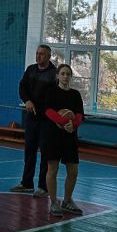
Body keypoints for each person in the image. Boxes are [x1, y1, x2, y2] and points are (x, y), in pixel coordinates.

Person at [11, 44, 57, 197]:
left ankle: (43, 187)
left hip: (47, 120)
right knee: (29, 150)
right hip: (31, 118)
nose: (38, 56)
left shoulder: (54, 74)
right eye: (37, 53)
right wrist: (27, 101)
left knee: (45, 153)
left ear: (48, 56)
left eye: (42, 54)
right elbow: (22, 87)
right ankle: (27, 183)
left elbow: (55, 97)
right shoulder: (30, 70)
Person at [42, 63, 85, 217]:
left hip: (70, 137)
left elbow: (80, 114)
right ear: (57, 76)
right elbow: (48, 111)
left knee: (73, 171)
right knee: (52, 169)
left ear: (71, 76)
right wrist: (63, 122)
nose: (65, 76)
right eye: (63, 74)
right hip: (53, 136)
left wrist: (73, 125)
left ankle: (67, 201)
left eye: (68, 74)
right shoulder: (51, 92)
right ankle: (54, 202)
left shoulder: (75, 94)